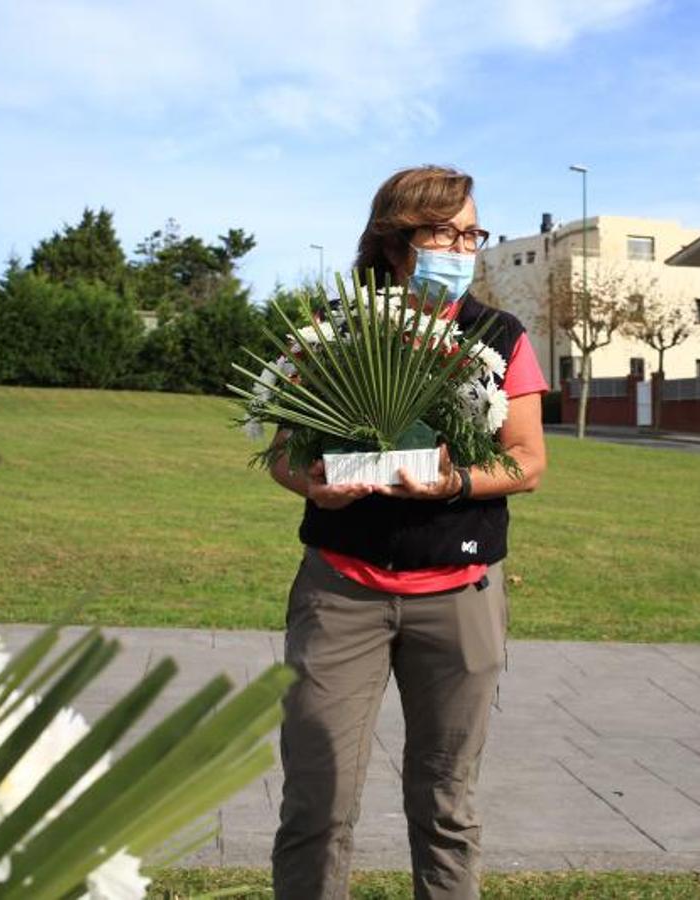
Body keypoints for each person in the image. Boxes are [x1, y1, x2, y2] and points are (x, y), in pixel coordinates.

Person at [269, 165, 549, 900]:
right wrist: (314, 486)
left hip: (459, 596)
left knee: (445, 802)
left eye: (470, 234)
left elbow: (526, 462)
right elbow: (284, 454)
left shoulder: (499, 336)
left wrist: (453, 481)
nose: (461, 249)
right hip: (342, 591)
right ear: (397, 241)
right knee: (316, 801)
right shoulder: (333, 330)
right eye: (443, 233)